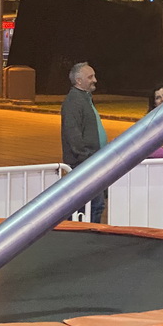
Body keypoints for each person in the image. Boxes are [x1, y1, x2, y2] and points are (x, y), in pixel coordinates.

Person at [61, 62, 107, 222]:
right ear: (79, 81)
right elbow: (73, 135)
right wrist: (86, 158)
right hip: (84, 165)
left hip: (91, 163)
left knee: (94, 206)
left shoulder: (85, 99)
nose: (95, 80)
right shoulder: (74, 102)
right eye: (90, 77)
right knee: (93, 206)